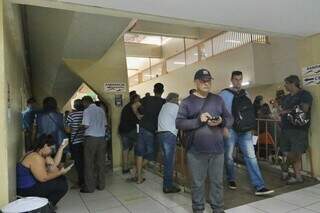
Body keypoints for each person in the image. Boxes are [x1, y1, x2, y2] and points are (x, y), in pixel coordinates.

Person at [176, 69, 233, 213]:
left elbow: (229, 118)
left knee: (217, 182)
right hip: (196, 151)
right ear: (196, 81)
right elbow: (179, 123)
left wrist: (221, 121)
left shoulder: (217, 99)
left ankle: (218, 208)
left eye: (208, 80)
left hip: (217, 150)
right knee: (197, 183)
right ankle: (198, 208)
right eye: (202, 80)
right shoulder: (187, 102)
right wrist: (198, 121)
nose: (206, 83)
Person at [219, 71, 274, 196]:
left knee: (251, 157)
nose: (238, 82)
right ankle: (231, 178)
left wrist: (251, 127)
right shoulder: (223, 94)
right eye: (236, 79)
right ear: (231, 80)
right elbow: (219, 111)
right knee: (228, 156)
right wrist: (223, 127)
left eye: (240, 79)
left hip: (245, 130)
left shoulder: (246, 93)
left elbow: (248, 113)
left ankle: (259, 186)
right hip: (230, 129)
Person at [16, 134, 71, 210]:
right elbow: (43, 178)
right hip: (26, 190)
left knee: (61, 179)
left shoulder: (39, 153)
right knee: (62, 185)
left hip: (32, 185)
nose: (51, 151)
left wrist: (61, 148)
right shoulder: (35, 157)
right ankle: (46, 208)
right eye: (51, 148)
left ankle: (45, 204)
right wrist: (60, 172)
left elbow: (54, 164)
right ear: (45, 145)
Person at [279, 75, 312, 184]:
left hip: (299, 128)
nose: (285, 86)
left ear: (292, 83)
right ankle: (298, 176)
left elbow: (305, 109)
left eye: (286, 83)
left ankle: (285, 166)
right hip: (285, 128)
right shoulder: (286, 97)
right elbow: (282, 110)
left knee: (296, 152)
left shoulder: (304, 95)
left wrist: (287, 111)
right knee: (286, 150)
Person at [135, 83, 165, 184]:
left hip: (142, 128)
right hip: (152, 131)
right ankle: (138, 173)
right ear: (163, 91)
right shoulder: (163, 102)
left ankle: (138, 177)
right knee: (151, 154)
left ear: (153, 89)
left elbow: (135, 105)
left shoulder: (146, 99)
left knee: (140, 153)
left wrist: (138, 115)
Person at [81, 96, 107, 193]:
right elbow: (105, 124)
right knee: (101, 163)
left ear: (85, 102)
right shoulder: (101, 110)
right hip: (102, 138)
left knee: (89, 163)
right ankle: (101, 185)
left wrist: (80, 127)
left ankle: (90, 187)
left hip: (91, 138)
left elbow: (86, 125)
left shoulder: (87, 111)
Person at [157, 93, 180, 193]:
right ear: (173, 99)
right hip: (169, 135)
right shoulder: (174, 106)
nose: (178, 101)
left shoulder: (164, 106)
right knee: (169, 161)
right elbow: (181, 120)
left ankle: (168, 184)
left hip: (161, 134)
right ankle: (167, 186)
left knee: (167, 160)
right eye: (177, 99)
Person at [65, 99, 85, 188]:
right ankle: (88, 179)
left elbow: (68, 130)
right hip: (85, 141)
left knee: (78, 162)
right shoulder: (86, 113)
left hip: (75, 141)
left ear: (75, 106)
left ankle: (81, 181)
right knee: (86, 161)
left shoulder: (71, 115)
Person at [118, 94, 140, 174]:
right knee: (137, 147)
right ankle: (136, 167)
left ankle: (125, 168)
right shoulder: (134, 106)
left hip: (122, 130)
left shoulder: (126, 107)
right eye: (138, 99)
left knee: (125, 149)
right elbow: (138, 118)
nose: (139, 101)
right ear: (135, 100)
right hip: (131, 130)